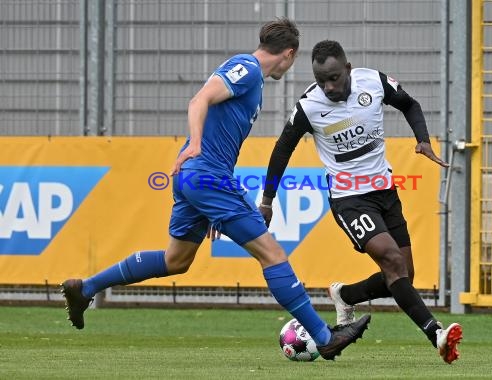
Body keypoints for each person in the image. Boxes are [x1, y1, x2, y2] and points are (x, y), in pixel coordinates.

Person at [61, 21, 370, 361]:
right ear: (289, 53)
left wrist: (208, 197)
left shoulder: (252, 78)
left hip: (198, 180)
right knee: (273, 255)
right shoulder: (248, 68)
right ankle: (324, 337)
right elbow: (199, 100)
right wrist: (194, 144)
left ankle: (87, 287)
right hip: (206, 175)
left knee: (175, 260)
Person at [259, 40, 462, 364]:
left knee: (403, 274)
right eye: (322, 79)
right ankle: (436, 333)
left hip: (385, 191)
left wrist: (422, 139)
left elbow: (409, 104)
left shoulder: (374, 83)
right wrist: (267, 199)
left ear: (348, 69)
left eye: (335, 78)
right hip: (349, 199)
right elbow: (282, 150)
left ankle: (345, 295)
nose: (329, 86)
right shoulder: (309, 107)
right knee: (393, 260)